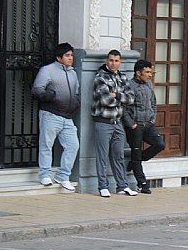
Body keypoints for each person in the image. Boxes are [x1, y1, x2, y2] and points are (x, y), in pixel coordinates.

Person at [31, 42, 80, 192]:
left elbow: (76, 91)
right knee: (46, 145)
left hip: (68, 116)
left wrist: (76, 101)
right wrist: (51, 96)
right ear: (59, 57)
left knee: (73, 145)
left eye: (71, 55)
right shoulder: (47, 70)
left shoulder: (72, 73)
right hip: (50, 114)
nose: (71, 58)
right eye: (67, 55)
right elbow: (37, 89)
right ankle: (44, 175)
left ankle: (63, 176)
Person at [91, 49, 138, 197]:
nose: (113, 63)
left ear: (120, 62)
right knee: (102, 155)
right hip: (102, 121)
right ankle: (102, 186)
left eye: (116, 61)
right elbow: (106, 101)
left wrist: (116, 94)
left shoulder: (123, 77)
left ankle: (122, 186)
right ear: (107, 60)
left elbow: (131, 99)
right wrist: (120, 98)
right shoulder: (100, 77)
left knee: (118, 155)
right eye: (111, 60)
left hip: (118, 122)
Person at [122, 59, 165, 194]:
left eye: (150, 72)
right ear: (138, 73)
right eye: (147, 72)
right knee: (135, 154)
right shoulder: (129, 86)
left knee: (159, 144)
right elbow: (123, 108)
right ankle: (143, 184)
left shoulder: (148, 85)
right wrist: (131, 124)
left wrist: (153, 117)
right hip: (135, 126)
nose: (150, 75)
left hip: (148, 124)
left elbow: (153, 101)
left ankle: (136, 161)